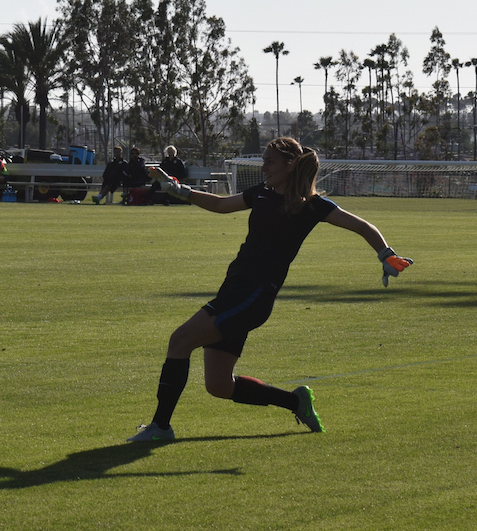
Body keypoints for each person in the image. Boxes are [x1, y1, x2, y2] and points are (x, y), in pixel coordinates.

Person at [126, 137, 414, 442]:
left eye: (270, 162)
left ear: (291, 166)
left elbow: (362, 226)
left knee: (180, 341)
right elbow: (221, 204)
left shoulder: (312, 206)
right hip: (234, 290)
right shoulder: (261, 193)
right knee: (219, 386)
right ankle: (296, 402)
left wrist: (386, 255)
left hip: (252, 297)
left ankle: (160, 427)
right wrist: (180, 190)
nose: (263, 167)